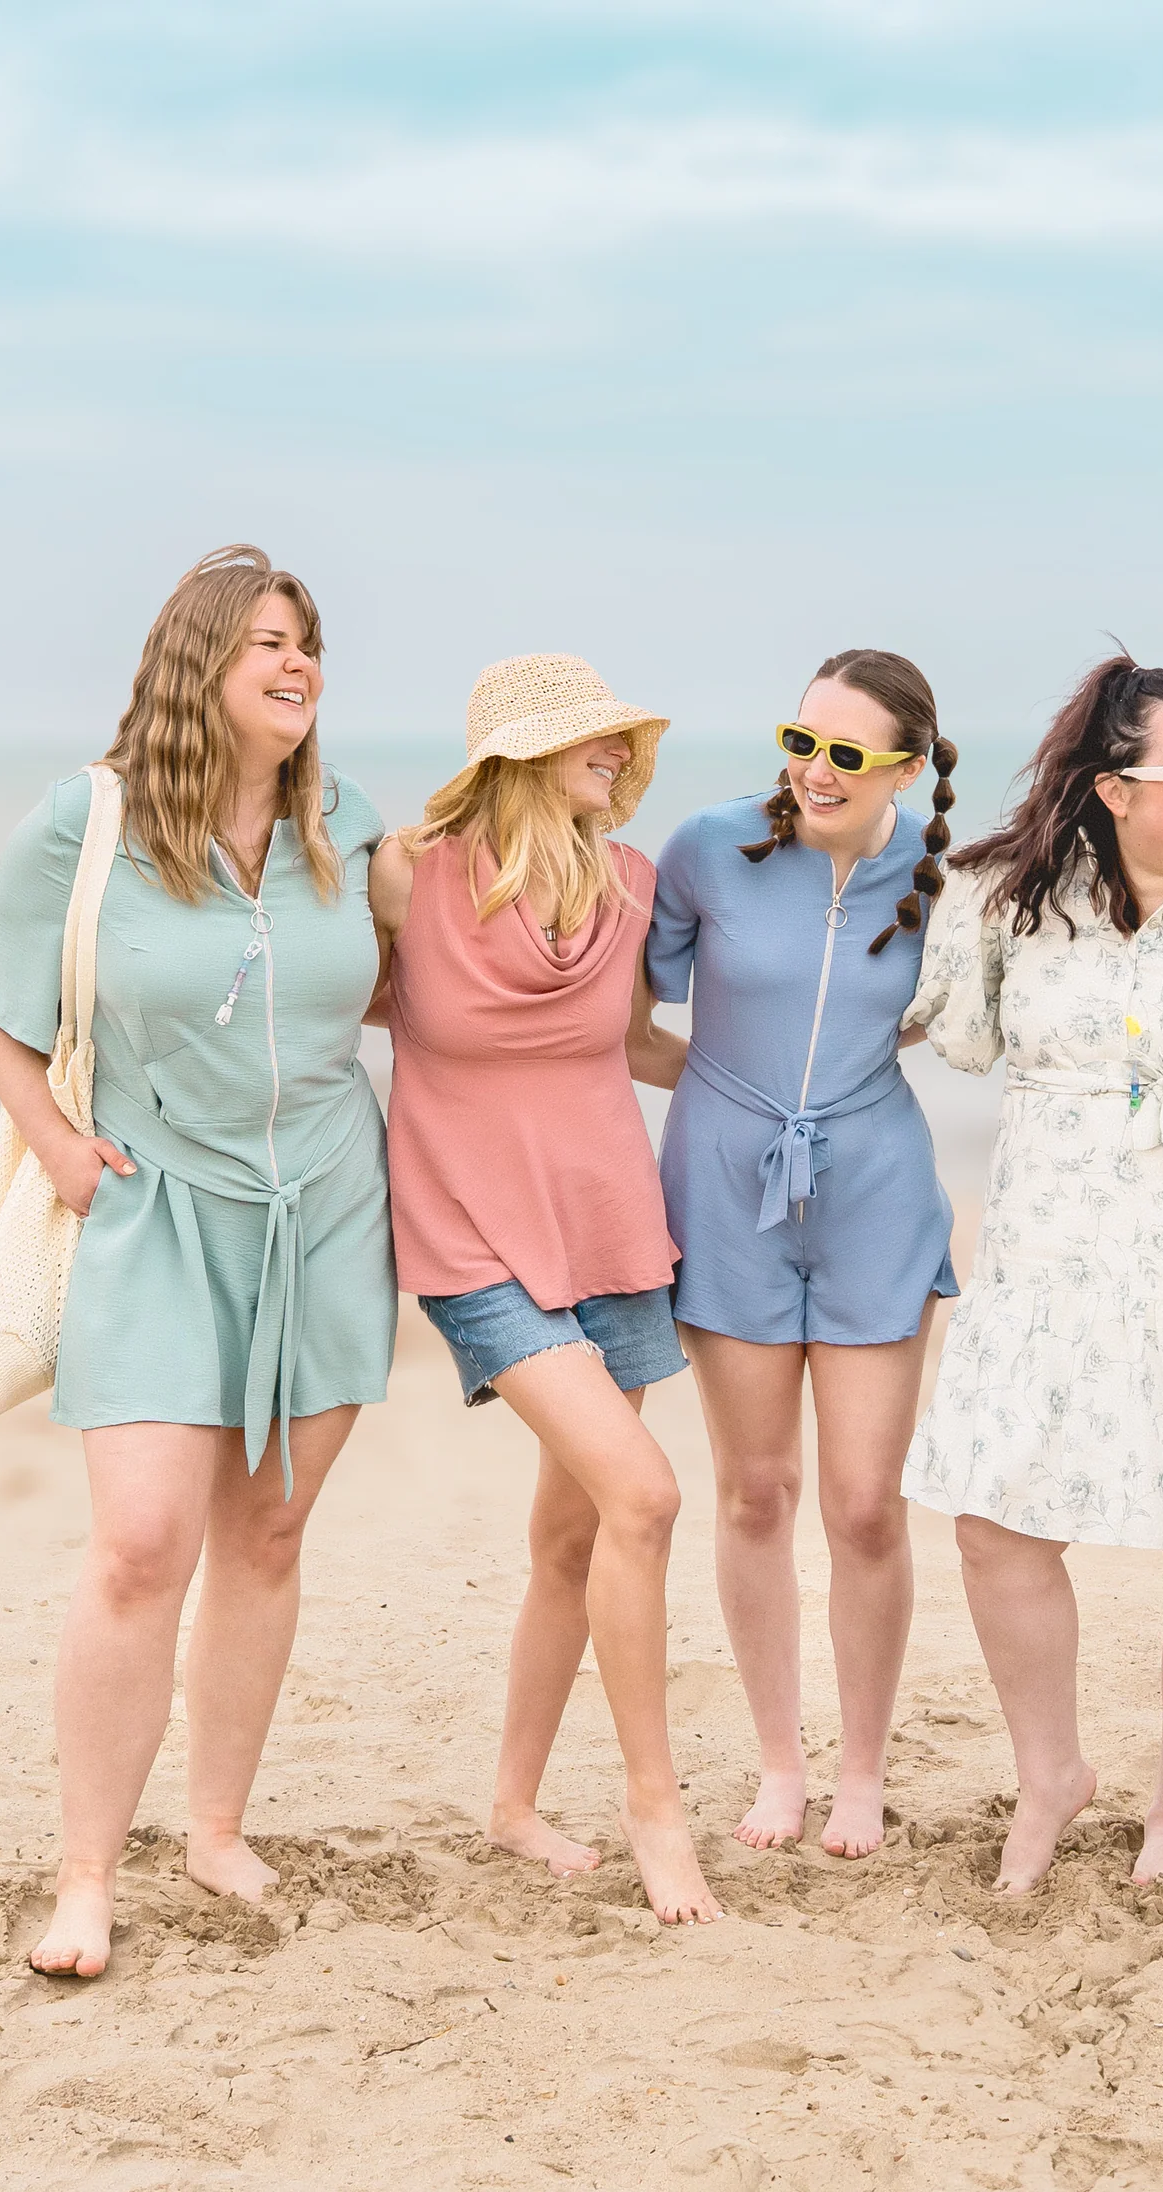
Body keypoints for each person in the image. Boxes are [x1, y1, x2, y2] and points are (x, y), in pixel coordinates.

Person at [0, 545, 397, 1977]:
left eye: (305, 641)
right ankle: (86, 1873)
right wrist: (59, 1147)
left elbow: (459, 975)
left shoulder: (346, 820)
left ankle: (215, 1828)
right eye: (262, 640)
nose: (293, 662)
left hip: (326, 1208)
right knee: (145, 1543)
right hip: (152, 1211)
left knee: (267, 1535)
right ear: (194, 665)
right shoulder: (83, 825)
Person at [902, 654, 1163, 1893]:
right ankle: (1052, 1772)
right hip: (1051, 1242)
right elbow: (957, 1037)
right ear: (1109, 788)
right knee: (995, 1520)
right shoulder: (1003, 897)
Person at [372, 653, 719, 1926]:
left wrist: (800, 1092)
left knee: (572, 1535)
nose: (617, 755)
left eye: (624, 739)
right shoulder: (410, 876)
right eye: (593, 738)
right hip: (469, 1239)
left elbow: (633, 1045)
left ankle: (514, 1805)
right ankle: (653, 1806)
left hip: (609, 1230)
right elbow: (327, 1007)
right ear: (517, 755)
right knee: (647, 1495)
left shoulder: (629, 884)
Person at [646, 651, 961, 1858]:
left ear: (907, 766)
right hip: (725, 1193)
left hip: (876, 1192)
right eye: (801, 740)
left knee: (865, 1504)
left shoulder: (942, 884)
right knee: (757, 1489)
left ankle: (865, 1773)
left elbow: (972, 1011)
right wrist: (725, 1091)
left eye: (845, 753)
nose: (811, 770)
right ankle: (782, 1766)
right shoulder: (709, 847)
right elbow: (616, 1013)